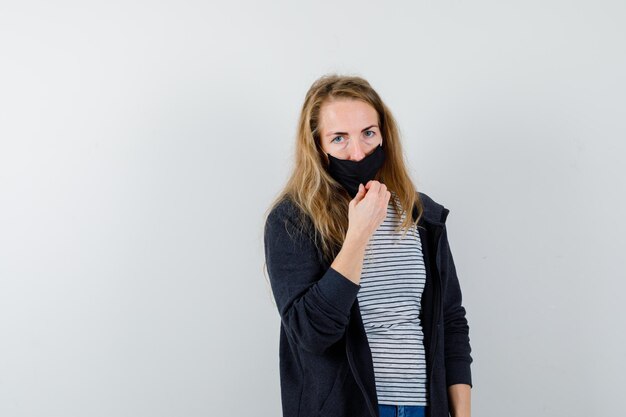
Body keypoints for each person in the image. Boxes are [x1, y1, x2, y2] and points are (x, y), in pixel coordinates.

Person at [263, 74, 473, 417]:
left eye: (368, 133)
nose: (358, 152)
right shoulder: (293, 220)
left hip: (422, 406)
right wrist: (358, 234)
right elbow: (312, 333)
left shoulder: (422, 215)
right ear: (318, 146)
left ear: (384, 135)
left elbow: (450, 320)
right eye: (339, 138)